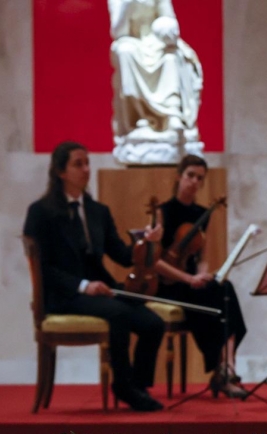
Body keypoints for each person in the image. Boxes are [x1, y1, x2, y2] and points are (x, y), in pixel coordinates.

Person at [23, 141, 166, 412]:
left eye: (87, 163)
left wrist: (145, 242)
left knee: (152, 323)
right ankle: (124, 386)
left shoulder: (97, 211)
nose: (86, 169)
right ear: (60, 171)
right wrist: (83, 286)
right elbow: (44, 268)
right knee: (119, 313)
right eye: (78, 164)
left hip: (100, 289)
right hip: (65, 294)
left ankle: (137, 386)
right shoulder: (41, 212)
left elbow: (122, 256)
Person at [155, 155, 248, 398]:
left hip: (191, 281)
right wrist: (188, 279)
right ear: (179, 176)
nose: (194, 182)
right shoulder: (163, 212)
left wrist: (203, 273)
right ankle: (222, 372)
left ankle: (228, 367)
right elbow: (156, 262)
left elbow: (202, 255)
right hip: (169, 283)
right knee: (210, 304)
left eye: (200, 178)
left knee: (224, 289)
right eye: (190, 176)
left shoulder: (202, 214)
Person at [109, 0, 204, 163]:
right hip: (132, 42)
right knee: (125, 51)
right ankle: (140, 119)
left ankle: (171, 115)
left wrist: (167, 28)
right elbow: (118, 32)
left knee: (171, 57)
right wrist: (127, 4)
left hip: (157, 42)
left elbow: (168, 18)